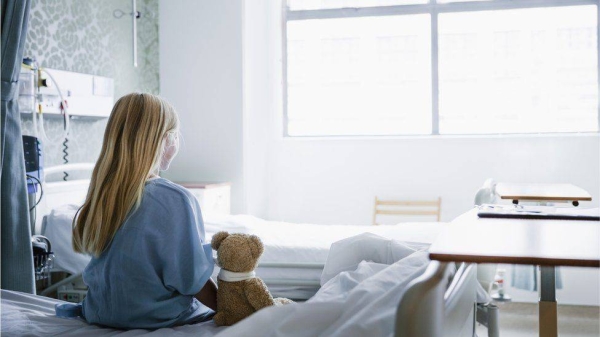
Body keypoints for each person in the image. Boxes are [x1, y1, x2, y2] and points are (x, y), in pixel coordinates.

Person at [72, 93, 217, 329]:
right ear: (165, 139)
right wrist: (233, 312)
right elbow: (193, 280)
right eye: (175, 135)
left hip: (99, 314)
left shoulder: (103, 193)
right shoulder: (175, 199)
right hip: (160, 318)